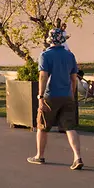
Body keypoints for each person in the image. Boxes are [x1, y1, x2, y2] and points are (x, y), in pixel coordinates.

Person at [28, 28, 83, 170]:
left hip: (51, 95)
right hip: (67, 95)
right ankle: (77, 156)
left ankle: (40, 155)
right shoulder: (69, 56)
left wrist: (40, 96)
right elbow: (73, 78)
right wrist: (72, 93)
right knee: (70, 127)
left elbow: (43, 76)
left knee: (42, 126)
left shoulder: (45, 55)